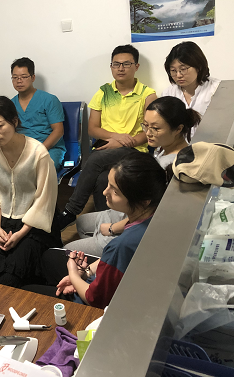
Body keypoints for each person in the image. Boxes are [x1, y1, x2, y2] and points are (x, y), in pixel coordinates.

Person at [25, 152, 167, 309]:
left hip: (95, 304)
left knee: (27, 291)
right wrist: (86, 272)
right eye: (108, 185)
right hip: (118, 284)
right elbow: (112, 262)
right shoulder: (156, 214)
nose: (105, 192)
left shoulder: (121, 245)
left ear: (143, 201)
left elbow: (94, 299)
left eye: (115, 191)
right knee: (49, 257)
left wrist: (73, 274)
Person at [66, 96, 200, 256]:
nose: (148, 133)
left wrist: (112, 229)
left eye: (155, 128)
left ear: (178, 129)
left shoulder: (172, 167)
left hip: (128, 225)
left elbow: (150, 215)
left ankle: (108, 258)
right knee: (81, 222)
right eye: (146, 126)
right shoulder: (163, 148)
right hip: (122, 213)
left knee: (67, 251)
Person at [56, 44, 157, 229]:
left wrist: (126, 143)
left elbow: (150, 131)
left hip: (134, 150)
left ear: (136, 66)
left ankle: (70, 211)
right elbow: (92, 129)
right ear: (111, 67)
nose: (120, 68)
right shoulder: (103, 92)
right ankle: (106, 225)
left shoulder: (147, 94)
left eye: (126, 64)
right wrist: (116, 137)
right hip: (107, 147)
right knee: (103, 179)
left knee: (95, 160)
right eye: (116, 64)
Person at [0, 96, 62, 288]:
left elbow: (45, 200)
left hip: (36, 222)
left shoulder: (38, 152)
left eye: (0, 125)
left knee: (13, 280)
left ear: (14, 121)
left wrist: (20, 233)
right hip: (3, 219)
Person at [10, 57, 66, 170]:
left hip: (48, 149)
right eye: (15, 77)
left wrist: (38, 151)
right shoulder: (10, 104)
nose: (19, 81)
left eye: (24, 77)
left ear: (33, 77)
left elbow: (58, 131)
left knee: (38, 169)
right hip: (21, 150)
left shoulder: (49, 100)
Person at [162, 41, 220, 133]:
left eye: (183, 69)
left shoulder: (217, 89)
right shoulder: (168, 94)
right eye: (173, 70)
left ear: (199, 67)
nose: (178, 75)